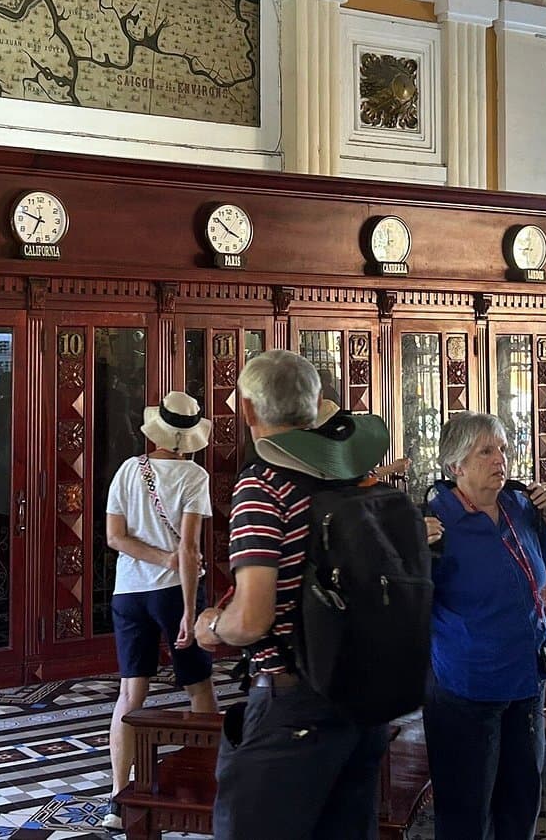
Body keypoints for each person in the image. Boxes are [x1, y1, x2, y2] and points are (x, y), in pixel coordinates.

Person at [196, 350, 394, 840]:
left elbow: (254, 617)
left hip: (296, 702)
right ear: (315, 406)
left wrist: (212, 627)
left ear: (248, 409)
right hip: (364, 693)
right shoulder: (351, 477)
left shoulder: (264, 485)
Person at [422, 411, 546, 840]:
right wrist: (412, 550)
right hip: (467, 680)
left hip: (527, 671)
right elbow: (407, 594)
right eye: (486, 451)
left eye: (503, 449)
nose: (500, 459)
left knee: (522, 793)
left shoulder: (517, 504)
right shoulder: (437, 520)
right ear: (456, 465)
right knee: (466, 803)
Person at [101, 391, 217, 831]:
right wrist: (190, 610)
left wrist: (153, 557)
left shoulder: (129, 470)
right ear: (189, 438)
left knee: (130, 693)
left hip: (127, 593)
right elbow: (188, 548)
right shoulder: (194, 476)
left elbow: (115, 538)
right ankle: (205, 779)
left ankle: (117, 794)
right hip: (173, 592)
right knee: (199, 687)